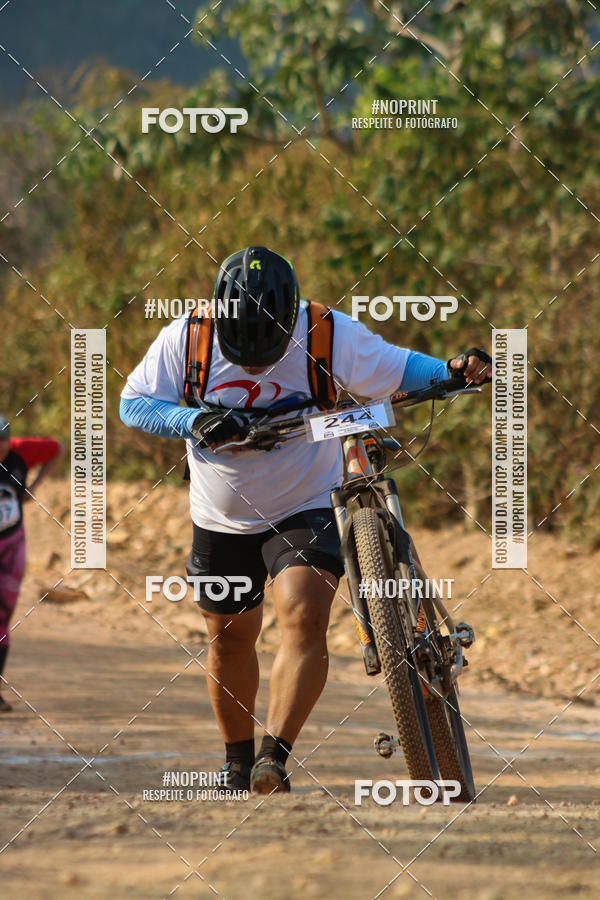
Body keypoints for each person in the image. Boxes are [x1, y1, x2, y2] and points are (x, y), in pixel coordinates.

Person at [120, 246, 491, 793]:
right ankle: (236, 761)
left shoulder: (326, 332)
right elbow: (134, 402)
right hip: (220, 517)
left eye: (264, 350)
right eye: (240, 350)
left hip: (306, 501)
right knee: (228, 637)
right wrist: (192, 419)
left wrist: (452, 370)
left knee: (304, 613)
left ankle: (275, 755)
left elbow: (396, 367)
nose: (251, 363)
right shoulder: (186, 337)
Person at [0, 416, 65, 711]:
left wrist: (35, 485)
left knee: (2, 619)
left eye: (1, 445)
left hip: (11, 546)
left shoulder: (21, 451)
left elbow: (58, 449)